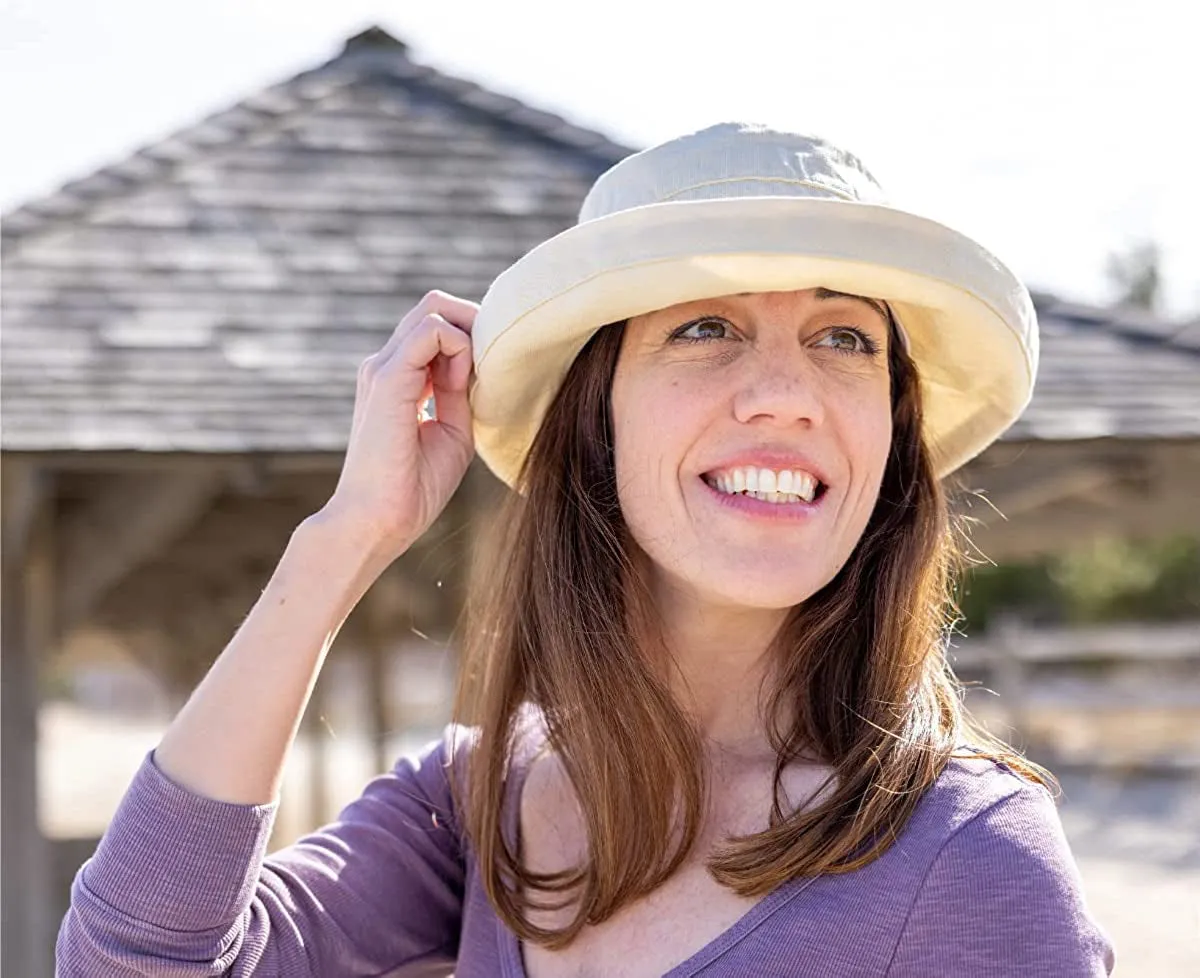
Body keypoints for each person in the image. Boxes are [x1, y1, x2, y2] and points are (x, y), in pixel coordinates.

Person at [57, 122, 1114, 977]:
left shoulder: (972, 862)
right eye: (705, 326)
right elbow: (135, 962)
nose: (788, 395)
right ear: (595, 424)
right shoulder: (476, 805)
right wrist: (346, 538)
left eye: (845, 338)